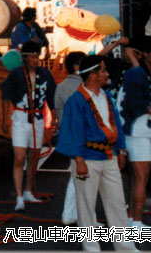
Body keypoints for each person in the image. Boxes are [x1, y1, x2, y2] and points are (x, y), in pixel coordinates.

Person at [57, 55, 135, 251]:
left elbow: (116, 123)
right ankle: (91, 248)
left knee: (117, 203)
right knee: (86, 206)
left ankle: (125, 246)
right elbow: (73, 130)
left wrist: (121, 150)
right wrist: (79, 160)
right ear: (92, 75)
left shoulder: (106, 96)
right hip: (86, 158)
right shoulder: (77, 100)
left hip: (109, 156)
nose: (107, 74)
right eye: (103, 70)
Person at [116, 41, 151, 229]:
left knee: (136, 178)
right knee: (141, 178)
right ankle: (137, 222)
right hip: (136, 131)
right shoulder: (137, 73)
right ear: (144, 54)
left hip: (140, 129)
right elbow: (130, 102)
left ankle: (132, 218)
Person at [1, 40, 57, 211]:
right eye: (32, 57)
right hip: (20, 117)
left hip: (38, 118)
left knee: (33, 158)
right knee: (19, 157)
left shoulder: (45, 74)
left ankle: (28, 191)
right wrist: (4, 119)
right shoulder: (16, 74)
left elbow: (51, 96)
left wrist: (54, 117)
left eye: (37, 56)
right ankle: (19, 196)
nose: (35, 60)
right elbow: (5, 96)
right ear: (25, 58)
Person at [53, 51, 86, 224]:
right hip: (85, 137)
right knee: (84, 177)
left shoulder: (61, 86)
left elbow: (58, 114)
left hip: (69, 136)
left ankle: (71, 213)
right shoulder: (86, 86)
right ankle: (75, 214)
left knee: (79, 176)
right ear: (77, 66)